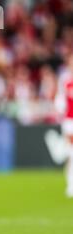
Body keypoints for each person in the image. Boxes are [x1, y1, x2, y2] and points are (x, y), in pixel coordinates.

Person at [55, 54, 73, 198]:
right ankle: (70, 185)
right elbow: (60, 102)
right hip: (69, 122)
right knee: (71, 154)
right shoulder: (66, 81)